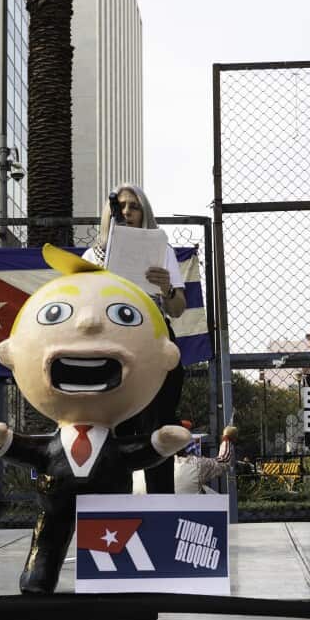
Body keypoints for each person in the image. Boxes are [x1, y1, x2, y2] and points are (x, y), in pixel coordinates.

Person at [0, 245, 192, 594]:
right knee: (47, 541)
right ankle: (39, 576)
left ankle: (112, 574)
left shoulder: (155, 255)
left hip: (112, 509)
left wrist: (158, 443)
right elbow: (34, 451)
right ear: (10, 354)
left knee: (114, 547)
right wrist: (5, 443)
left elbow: (136, 452)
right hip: (54, 500)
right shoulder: (94, 255)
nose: (88, 324)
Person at [91, 183, 186, 494]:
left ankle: (160, 507)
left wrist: (167, 288)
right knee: (115, 427)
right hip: (111, 347)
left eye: (134, 206)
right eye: (121, 206)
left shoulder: (161, 250)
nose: (128, 212)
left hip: (153, 345)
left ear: (144, 212)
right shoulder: (93, 255)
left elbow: (179, 309)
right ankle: (114, 507)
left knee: (157, 426)